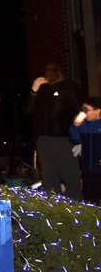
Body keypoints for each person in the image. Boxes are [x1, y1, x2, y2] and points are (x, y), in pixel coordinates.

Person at [26, 61, 83, 199]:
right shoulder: (43, 89)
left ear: (59, 71)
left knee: (70, 175)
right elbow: (28, 110)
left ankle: (76, 209)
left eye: (51, 70)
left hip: (64, 138)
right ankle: (53, 209)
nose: (48, 73)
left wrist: (78, 136)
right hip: (44, 139)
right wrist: (34, 91)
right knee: (49, 177)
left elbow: (80, 111)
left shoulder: (70, 87)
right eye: (46, 70)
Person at [69, 98, 101, 203]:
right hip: (88, 169)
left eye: (87, 110)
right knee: (90, 197)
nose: (84, 113)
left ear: (98, 110)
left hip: (98, 167)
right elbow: (75, 139)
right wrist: (75, 126)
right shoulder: (84, 125)